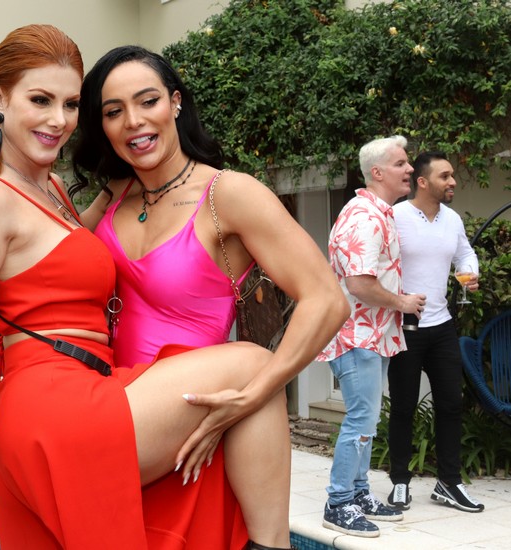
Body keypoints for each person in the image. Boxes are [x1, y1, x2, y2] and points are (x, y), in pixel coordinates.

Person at [0, 25, 341, 550]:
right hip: (61, 403)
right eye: (41, 100)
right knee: (251, 364)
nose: (58, 120)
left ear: (175, 102)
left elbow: (63, 259)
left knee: (251, 386)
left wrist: (118, 191)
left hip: (116, 394)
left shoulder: (56, 190)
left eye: (70, 105)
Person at [71, 45, 349, 548]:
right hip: (119, 405)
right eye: (114, 111)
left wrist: (255, 393)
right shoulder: (116, 196)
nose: (134, 121)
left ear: (176, 102)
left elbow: (327, 300)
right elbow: (59, 260)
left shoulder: (227, 194)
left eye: (148, 101)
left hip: (190, 408)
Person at [316, 135, 426, 537]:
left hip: (369, 335)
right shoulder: (365, 217)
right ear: (377, 172)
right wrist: (403, 302)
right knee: (361, 419)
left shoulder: (378, 213)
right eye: (400, 164)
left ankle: (359, 493)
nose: (410, 169)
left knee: (367, 419)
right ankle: (339, 502)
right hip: (356, 335)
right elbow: (360, 284)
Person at [388, 151, 484, 513]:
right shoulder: (396, 216)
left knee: (451, 405)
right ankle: (400, 481)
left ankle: (449, 482)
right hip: (406, 326)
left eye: (453, 175)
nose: (453, 181)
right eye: (445, 176)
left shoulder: (452, 219)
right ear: (423, 182)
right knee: (403, 406)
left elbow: (465, 255)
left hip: (441, 325)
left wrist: (470, 272)